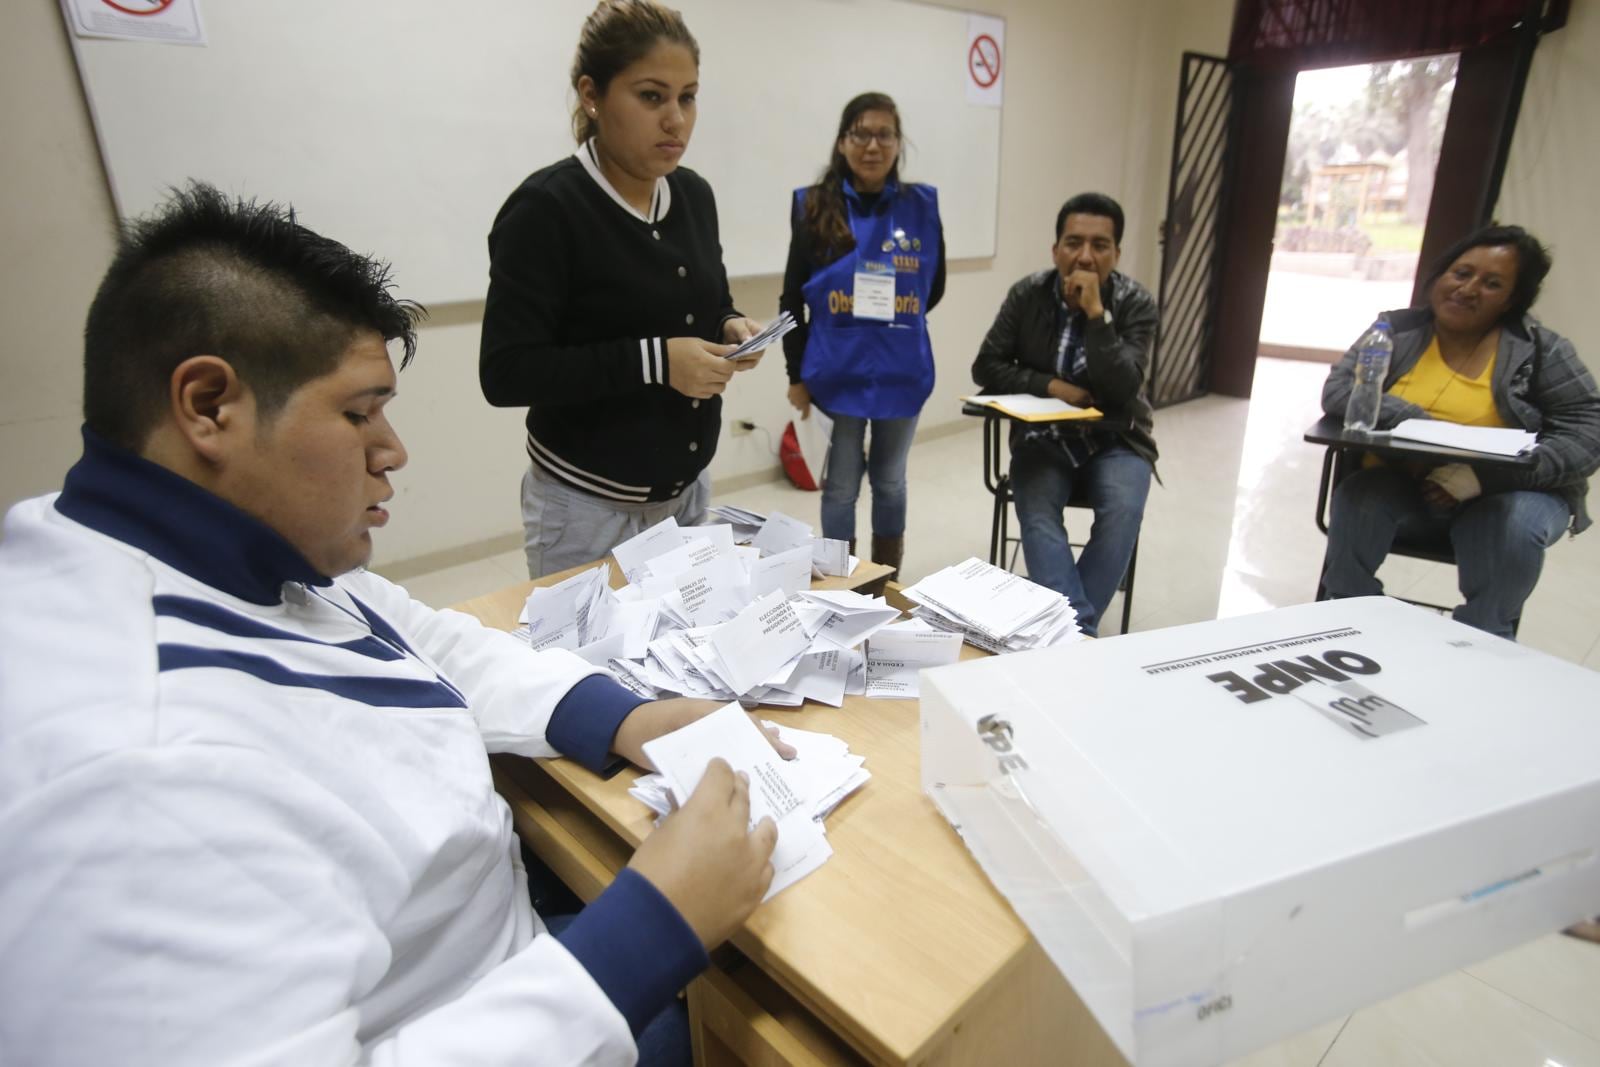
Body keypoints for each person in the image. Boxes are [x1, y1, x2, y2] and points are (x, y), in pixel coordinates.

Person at [0, 183, 790, 1066]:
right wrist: (648, 933)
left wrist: (623, 715)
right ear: (209, 406)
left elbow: (420, 635)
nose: (394, 450)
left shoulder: (196, 538)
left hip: (489, 948)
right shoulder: (134, 777)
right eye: (357, 412)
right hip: (480, 1012)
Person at [481, 0, 764, 578]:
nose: (676, 120)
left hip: (685, 498)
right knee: (590, 667)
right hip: (585, 511)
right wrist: (658, 360)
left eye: (688, 97)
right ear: (592, 95)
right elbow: (506, 372)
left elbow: (705, 305)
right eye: (651, 96)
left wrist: (729, 327)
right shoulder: (546, 209)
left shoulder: (693, 195)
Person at [1320, 224, 1600, 638]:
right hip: (1405, 483)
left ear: (1511, 300)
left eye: (1491, 284)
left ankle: (1481, 643)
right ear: (1440, 275)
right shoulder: (1394, 331)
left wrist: (1485, 476)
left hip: (1511, 492)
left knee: (1511, 523)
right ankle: (1353, 625)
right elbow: (1341, 390)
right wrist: (1420, 429)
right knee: (1359, 497)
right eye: (1461, 273)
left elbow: (1587, 431)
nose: (1467, 289)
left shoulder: (1541, 349)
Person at [970, 192, 1158, 637]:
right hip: (1044, 438)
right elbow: (987, 365)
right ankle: (1078, 633)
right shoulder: (1028, 293)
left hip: (1117, 439)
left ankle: (1066, 633)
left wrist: (1096, 314)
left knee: (1124, 510)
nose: (1086, 256)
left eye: (1100, 245)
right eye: (1074, 243)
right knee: (1036, 510)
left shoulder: (1135, 303)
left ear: (1116, 252)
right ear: (1055, 250)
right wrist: (1053, 387)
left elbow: (1123, 386)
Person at [779, 91, 945, 575]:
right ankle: (840, 582)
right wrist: (796, 373)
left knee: (891, 482)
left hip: (901, 371)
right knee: (841, 486)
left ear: (898, 143)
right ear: (843, 142)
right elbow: (792, 298)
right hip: (837, 373)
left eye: (885, 134)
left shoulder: (921, 206)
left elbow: (932, 287)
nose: (873, 145)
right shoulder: (813, 207)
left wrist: (890, 317)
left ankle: (883, 579)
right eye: (862, 134)